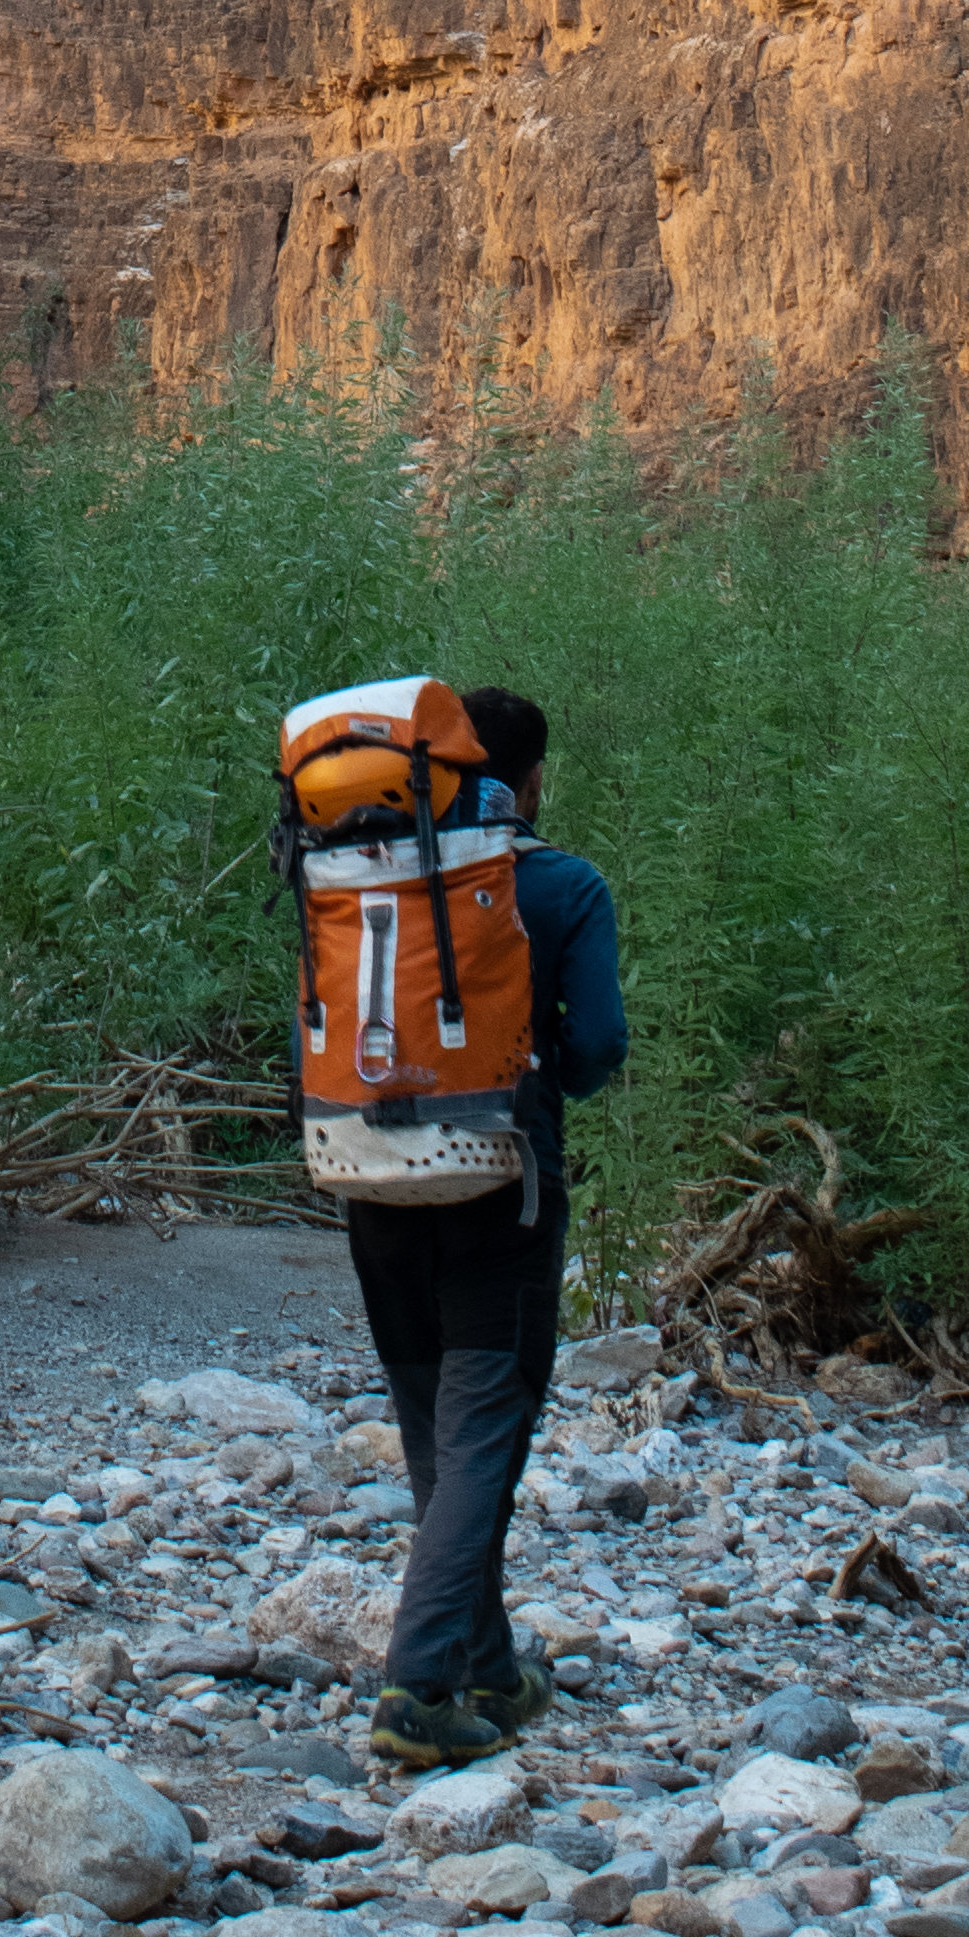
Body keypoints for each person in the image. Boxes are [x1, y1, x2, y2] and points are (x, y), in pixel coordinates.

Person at [348, 682, 623, 1778]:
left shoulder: (361, 878)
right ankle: (416, 1690)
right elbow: (598, 1048)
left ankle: (491, 1668)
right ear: (527, 778)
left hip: (371, 1178)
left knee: (436, 1429)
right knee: (484, 1429)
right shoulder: (562, 884)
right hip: (500, 1189)